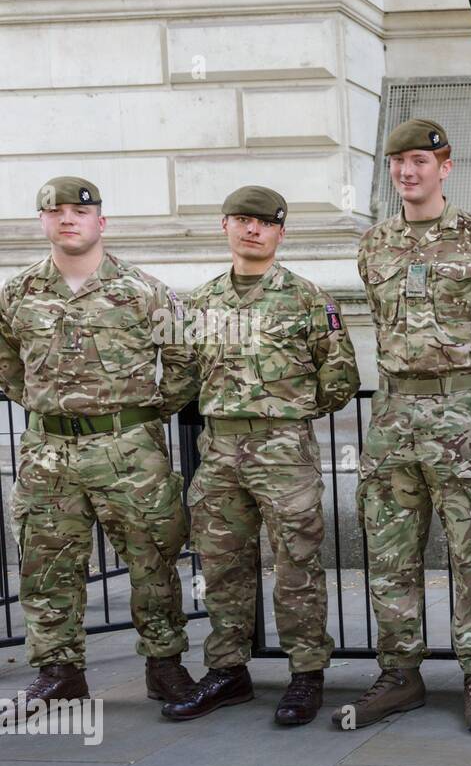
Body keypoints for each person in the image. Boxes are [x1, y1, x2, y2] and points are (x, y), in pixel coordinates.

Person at [335, 119, 471, 732]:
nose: (407, 172)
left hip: (460, 419)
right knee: (390, 549)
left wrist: (467, 390)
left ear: (446, 166)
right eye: (397, 162)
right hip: (390, 419)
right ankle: (400, 672)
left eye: (419, 160)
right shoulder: (374, 244)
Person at [163, 186, 359, 724]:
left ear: (280, 233)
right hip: (220, 449)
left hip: (283, 451)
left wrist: (286, 410)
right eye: (242, 220)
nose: (253, 230)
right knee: (223, 565)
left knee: (297, 562)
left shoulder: (308, 300)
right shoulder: (198, 304)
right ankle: (228, 671)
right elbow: (180, 378)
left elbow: (340, 378)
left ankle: (306, 672)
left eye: (265, 223)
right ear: (223, 226)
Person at [0, 176, 195, 715]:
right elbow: (8, 366)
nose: (68, 219)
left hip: (128, 451)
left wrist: (141, 416)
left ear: (100, 222)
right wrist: (50, 409)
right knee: (45, 563)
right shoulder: (18, 294)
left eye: (79, 212)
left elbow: (184, 364)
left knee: (151, 559)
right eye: (55, 211)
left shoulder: (144, 291)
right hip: (47, 453)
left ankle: (165, 665)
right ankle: (58, 671)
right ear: (41, 222)